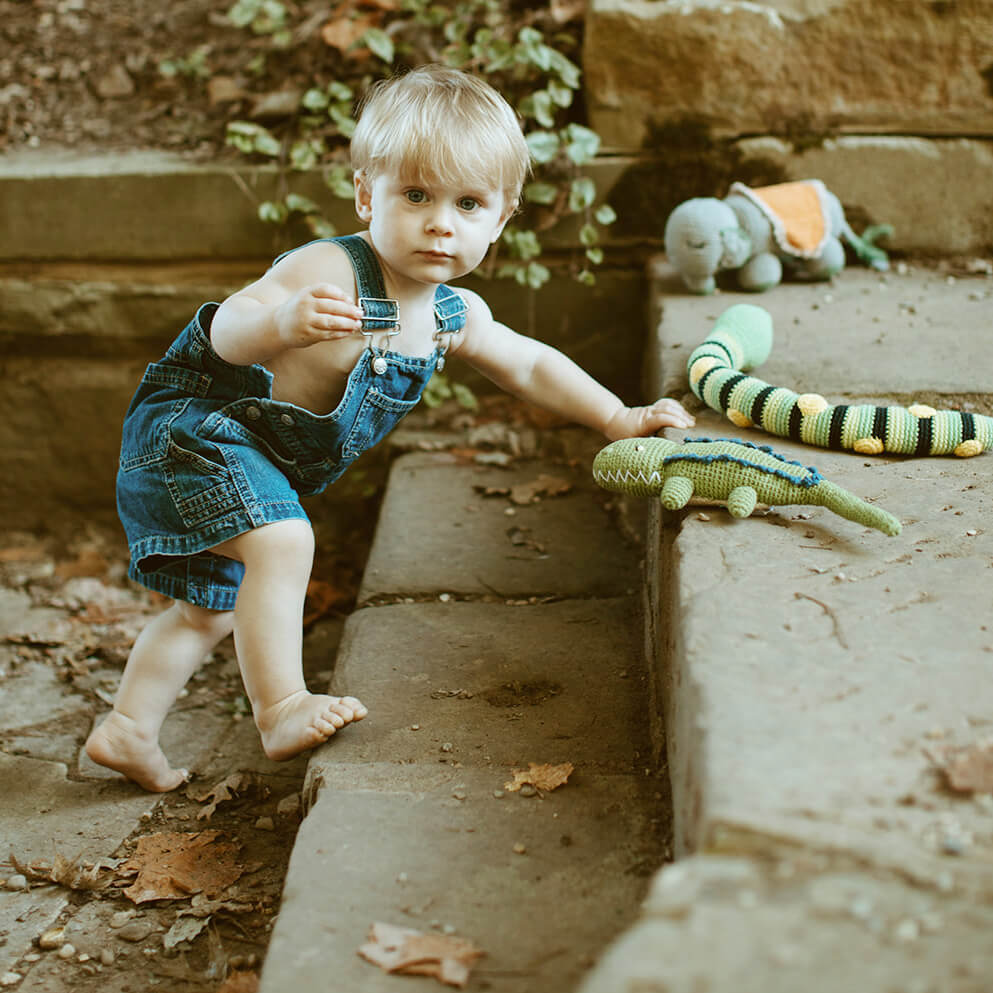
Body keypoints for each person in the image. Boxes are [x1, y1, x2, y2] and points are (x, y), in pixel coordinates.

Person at [85, 64, 695, 792]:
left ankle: (127, 728)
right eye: (415, 195)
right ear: (364, 194)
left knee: (207, 611)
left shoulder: (449, 315)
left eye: (468, 203)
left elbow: (530, 367)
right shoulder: (329, 269)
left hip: (246, 460)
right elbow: (226, 332)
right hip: (192, 432)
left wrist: (617, 416)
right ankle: (280, 704)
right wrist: (281, 321)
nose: (440, 221)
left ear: (500, 220)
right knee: (283, 540)